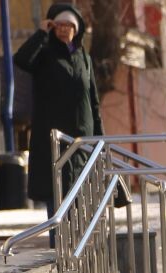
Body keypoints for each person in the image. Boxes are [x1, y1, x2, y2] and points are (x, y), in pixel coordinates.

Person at [14, 4, 103, 247]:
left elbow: (93, 104)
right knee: (59, 205)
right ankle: (60, 256)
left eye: (69, 26)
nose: (64, 30)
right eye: (59, 25)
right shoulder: (44, 54)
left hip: (82, 147)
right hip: (54, 147)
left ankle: (81, 258)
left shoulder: (84, 58)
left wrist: (100, 143)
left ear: (77, 29)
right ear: (52, 27)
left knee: (82, 206)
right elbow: (21, 60)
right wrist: (41, 34)